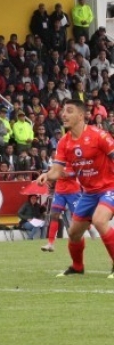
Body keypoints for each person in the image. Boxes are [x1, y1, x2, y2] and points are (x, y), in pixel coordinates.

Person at [36, 99, 114, 277]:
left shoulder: (99, 136)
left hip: (109, 187)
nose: (64, 114)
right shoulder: (64, 142)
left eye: (69, 111)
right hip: (88, 193)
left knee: (100, 220)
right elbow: (57, 171)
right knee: (73, 233)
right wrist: (47, 175)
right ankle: (78, 267)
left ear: (81, 115)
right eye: (63, 111)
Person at [41, 168, 81, 252]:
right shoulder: (59, 160)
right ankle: (50, 243)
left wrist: (69, 174)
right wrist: (47, 177)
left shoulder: (74, 158)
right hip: (60, 191)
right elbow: (54, 171)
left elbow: (80, 171)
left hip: (73, 191)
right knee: (54, 215)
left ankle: (89, 228)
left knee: (78, 217)